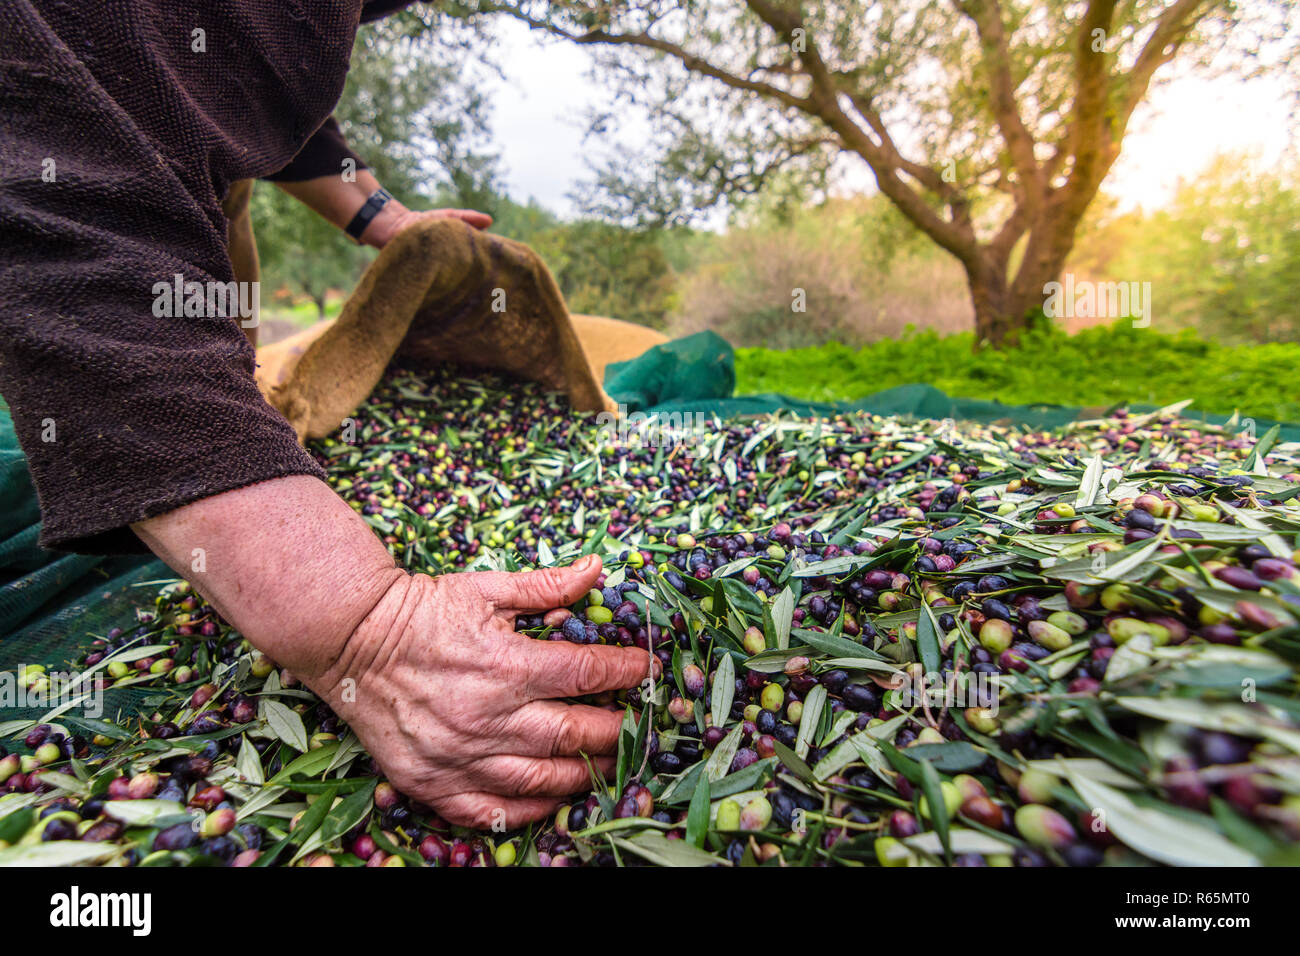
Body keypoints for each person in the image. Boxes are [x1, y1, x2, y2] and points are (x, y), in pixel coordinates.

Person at [0, 0, 654, 828]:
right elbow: (76, 229)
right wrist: (362, 629)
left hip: (178, 204)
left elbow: (237, 76)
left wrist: (386, 220)